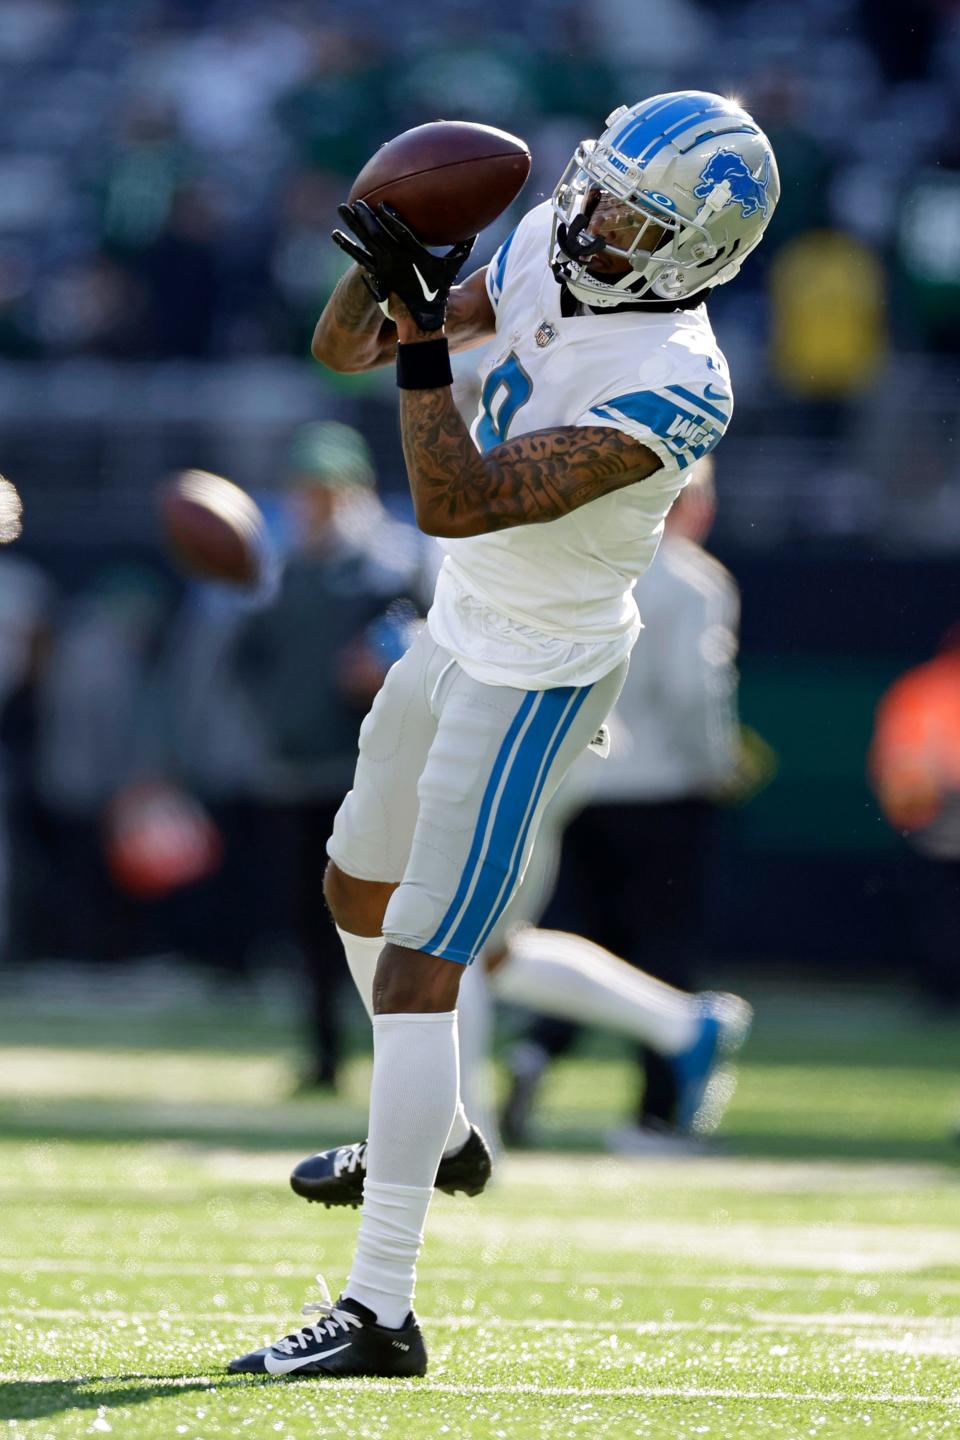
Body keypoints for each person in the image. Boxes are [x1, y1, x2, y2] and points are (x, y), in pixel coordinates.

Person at [229, 90, 779, 1380]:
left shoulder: (680, 384)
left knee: (425, 967)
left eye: (634, 214)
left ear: (698, 247)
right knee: (349, 886)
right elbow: (346, 355)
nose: (589, 218)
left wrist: (421, 332)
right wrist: (377, 266)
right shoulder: (549, 239)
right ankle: (446, 1128)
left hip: (539, 668)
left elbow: (455, 500)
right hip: (459, 628)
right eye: (596, 185)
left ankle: (380, 1310)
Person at [495, 457, 762, 1152]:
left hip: (579, 782)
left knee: (577, 932)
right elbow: (691, 691)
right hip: (663, 790)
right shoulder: (692, 581)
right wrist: (718, 764)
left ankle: (538, 1053)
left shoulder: (587, 565)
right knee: (662, 946)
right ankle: (658, 1117)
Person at [867, 626, 960, 1007]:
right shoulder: (921, 689)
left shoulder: (917, 687)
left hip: (932, 816)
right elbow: (899, 770)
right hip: (937, 816)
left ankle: (944, 988)